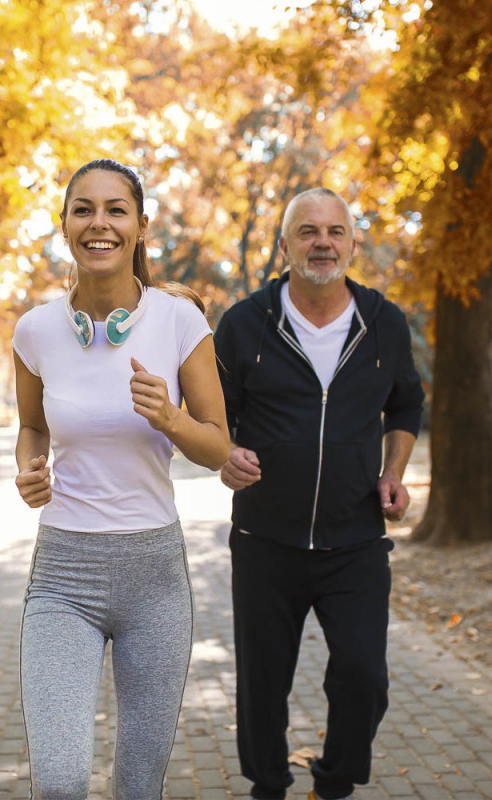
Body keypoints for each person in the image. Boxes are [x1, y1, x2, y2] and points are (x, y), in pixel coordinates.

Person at [12, 159, 231, 799]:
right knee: (58, 782)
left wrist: (170, 418)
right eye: (84, 209)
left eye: (115, 210)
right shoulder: (36, 330)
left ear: (139, 225)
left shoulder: (179, 321)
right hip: (63, 576)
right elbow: (32, 427)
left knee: (138, 787)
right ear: (64, 225)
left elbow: (217, 447)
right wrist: (28, 466)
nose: (99, 223)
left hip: (154, 579)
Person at [213, 188, 425, 800]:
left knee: (364, 675)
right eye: (308, 232)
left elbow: (406, 402)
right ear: (284, 246)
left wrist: (394, 471)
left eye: (335, 232)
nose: (322, 243)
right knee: (262, 682)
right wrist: (223, 455)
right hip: (264, 539)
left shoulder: (383, 322)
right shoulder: (245, 323)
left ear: (352, 244)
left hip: (355, 539)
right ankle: (269, 785)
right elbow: (212, 417)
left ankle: (333, 784)